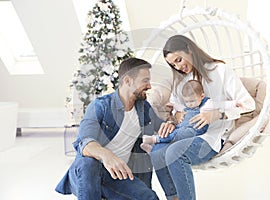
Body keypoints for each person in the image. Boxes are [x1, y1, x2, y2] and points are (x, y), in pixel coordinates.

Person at [149, 35, 255, 200]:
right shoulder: (180, 80)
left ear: (189, 50)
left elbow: (249, 104)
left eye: (178, 59)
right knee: (156, 152)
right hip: (184, 131)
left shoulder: (220, 70)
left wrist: (217, 114)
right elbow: (175, 108)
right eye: (173, 64)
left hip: (212, 137)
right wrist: (171, 121)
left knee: (174, 153)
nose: (178, 66)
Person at [55, 58, 175, 200]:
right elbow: (84, 143)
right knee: (89, 163)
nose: (149, 86)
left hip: (117, 176)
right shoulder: (100, 106)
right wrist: (107, 156)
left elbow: (163, 128)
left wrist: (170, 123)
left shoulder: (143, 108)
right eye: (145, 80)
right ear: (128, 81)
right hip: (87, 174)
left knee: (149, 197)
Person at [141, 80, 243, 154]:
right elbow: (180, 107)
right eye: (187, 101)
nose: (189, 104)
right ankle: (153, 148)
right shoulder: (187, 106)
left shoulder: (208, 104)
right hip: (182, 127)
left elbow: (221, 104)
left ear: (201, 96)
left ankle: (154, 140)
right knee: (173, 133)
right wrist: (173, 105)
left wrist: (234, 104)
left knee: (177, 136)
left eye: (192, 101)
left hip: (194, 130)